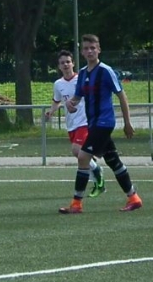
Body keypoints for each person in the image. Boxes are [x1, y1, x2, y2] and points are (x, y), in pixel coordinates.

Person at [59, 34, 142, 214]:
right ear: (82, 52)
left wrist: (127, 123)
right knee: (113, 161)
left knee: (82, 157)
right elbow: (77, 97)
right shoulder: (82, 73)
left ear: (99, 50)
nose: (89, 51)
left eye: (93, 48)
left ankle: (76, 204)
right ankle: (134, 198)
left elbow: (121, 95)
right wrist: (71, 104)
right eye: (86, 48)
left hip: (104, 123)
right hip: (93, 123)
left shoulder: (106, 71)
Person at [45, 50, 105, 198]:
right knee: (81, 155)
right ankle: (97, 177)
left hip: (85, 122)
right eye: (62, 63)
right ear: (59, 66)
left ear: (73, 63)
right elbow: (56, 101)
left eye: (68, 62)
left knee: (77, 151)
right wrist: (51, 111)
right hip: (71, 125)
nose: (65, 65)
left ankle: (96, 172)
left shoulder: (81, 79)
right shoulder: (58, 84)